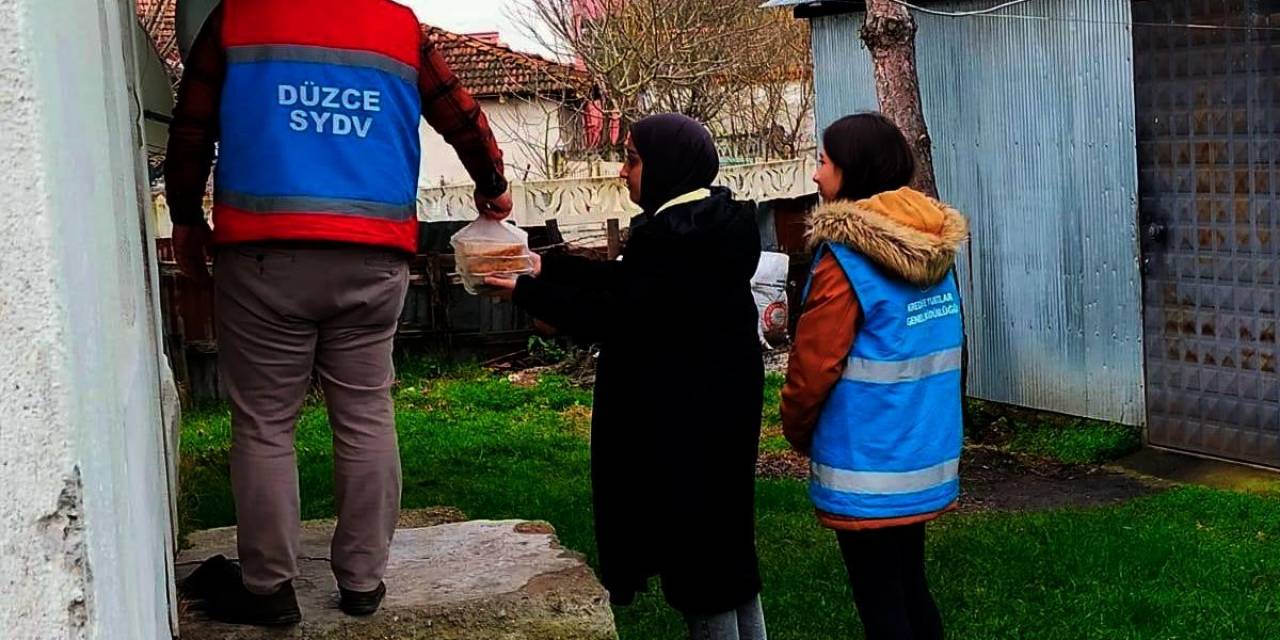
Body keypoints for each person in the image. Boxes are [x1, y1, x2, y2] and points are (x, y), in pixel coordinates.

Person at [166, 0, 512, 626]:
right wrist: (492, 186)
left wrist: (187, 217)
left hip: (265, 256)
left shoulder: (238, 18)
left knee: (266, 424)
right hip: (372, 259)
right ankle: (362, 582)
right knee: (366, 414)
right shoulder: (399, 28)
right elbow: (462, 116)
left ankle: (269, 588)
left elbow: (191, 127)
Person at [486, 113, 768, 640]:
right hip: (722, 411)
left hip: (684, 422)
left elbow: (615, 314)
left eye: (633, 159)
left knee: (698, 564)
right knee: (727, 547)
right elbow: (632, 284)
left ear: (667, 165)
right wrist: (549, 268)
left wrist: (524, 292)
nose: (622, 171)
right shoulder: (711, 224)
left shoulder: (674, 238)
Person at [781, 112, 968, 640]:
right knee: (910, 589)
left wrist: (797, 428)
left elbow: (814, 366)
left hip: (866, 463)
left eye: (823, 161)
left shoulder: (844, 259)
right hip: (923, 455)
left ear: (851, 170)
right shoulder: (931, 248)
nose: (816, 176)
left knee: (882, 605)